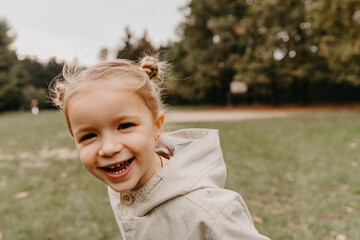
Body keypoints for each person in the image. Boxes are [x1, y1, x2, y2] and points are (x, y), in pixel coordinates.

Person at [51, 55, 270, 240]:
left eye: (125, 126)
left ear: (157, 127)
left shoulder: (209, 210)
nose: (108, 149)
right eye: (89, 135)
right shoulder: (125, 183)